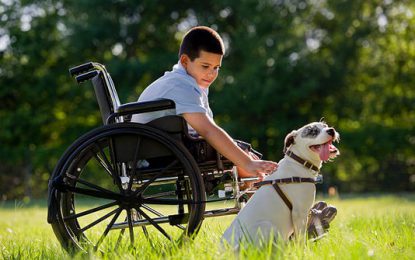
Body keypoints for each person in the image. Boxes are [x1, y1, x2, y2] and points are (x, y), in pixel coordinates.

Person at [131, 26, 277, 178]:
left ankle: (252, 194)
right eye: (206, 66)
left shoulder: (190, 82)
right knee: (244, 161)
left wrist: (245, 159)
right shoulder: (180, 86)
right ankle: (258, 193)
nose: (212, 74)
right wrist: (247, 162)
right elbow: (207, 130)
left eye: (216, 67)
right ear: (185, 61)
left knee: (244, 155)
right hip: (155, 153)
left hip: (168, 146)